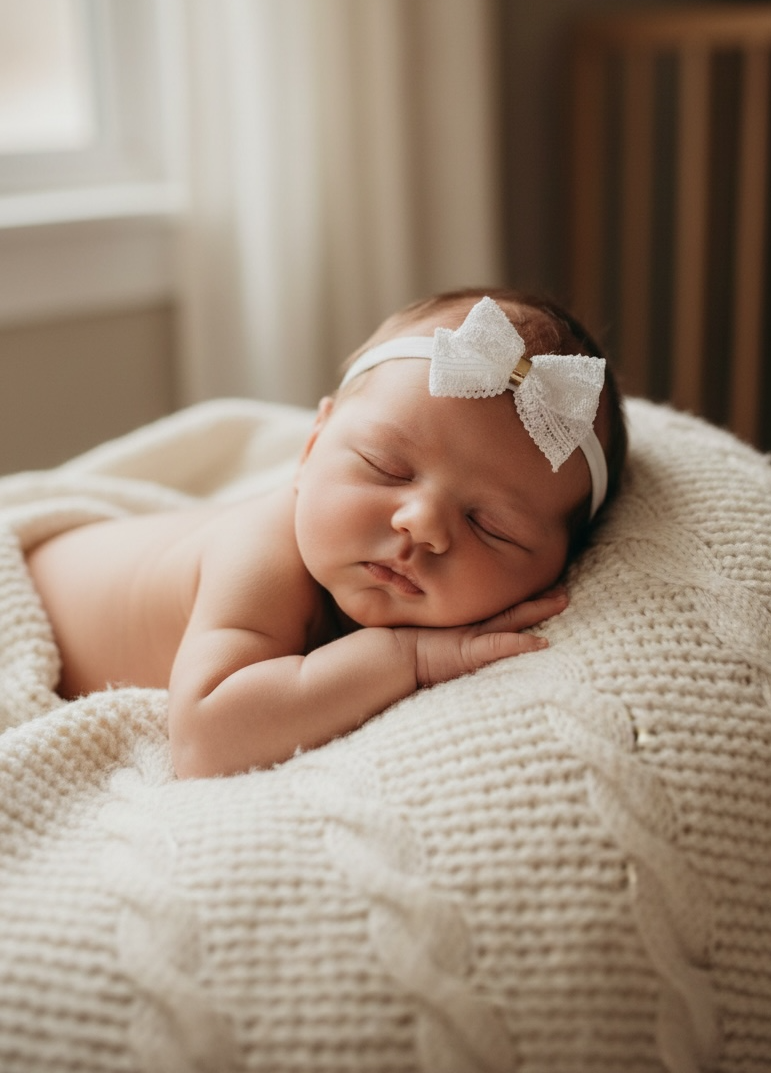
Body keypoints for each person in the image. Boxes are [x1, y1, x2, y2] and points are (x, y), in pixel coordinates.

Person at [25, 288, 627, 779]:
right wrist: (407, 657)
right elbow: (205, 738)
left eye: (490, 526)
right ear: (313, 444)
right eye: (386, 468)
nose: (420, 524)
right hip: (28, 600)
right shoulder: (261, 553)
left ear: (561, 565)